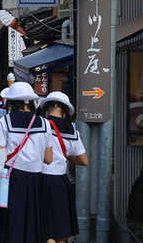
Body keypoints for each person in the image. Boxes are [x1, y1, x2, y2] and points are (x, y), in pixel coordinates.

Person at [0, 82, 53, 243]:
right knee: (33, 226)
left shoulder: (5, 121)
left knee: (9, 226)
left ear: (11, 102)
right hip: (36, 180)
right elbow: (48, 159)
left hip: (10, 179)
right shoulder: (45, 123)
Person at [39, 92, 88, 243]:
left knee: (44, 231)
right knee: (61, 232)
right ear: (65, 110)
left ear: (47, 107)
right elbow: (84, 161)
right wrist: (66, 154)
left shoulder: (40, 125)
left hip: (40, 180)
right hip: (61, 182)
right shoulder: (72, 131)